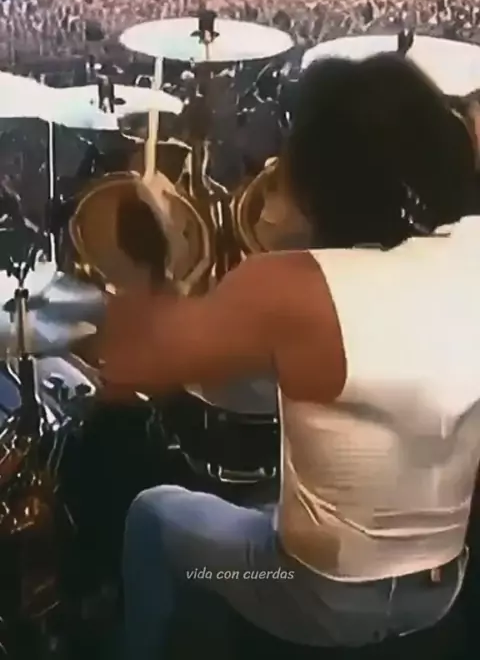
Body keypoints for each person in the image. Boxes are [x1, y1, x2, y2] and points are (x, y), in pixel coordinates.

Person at [101, 53, 480, 659]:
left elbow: (127, 367)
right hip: (442, 588)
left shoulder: (289, 288)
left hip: (315, 596)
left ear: (315, 179)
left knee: (154, 515)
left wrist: (159, 247)